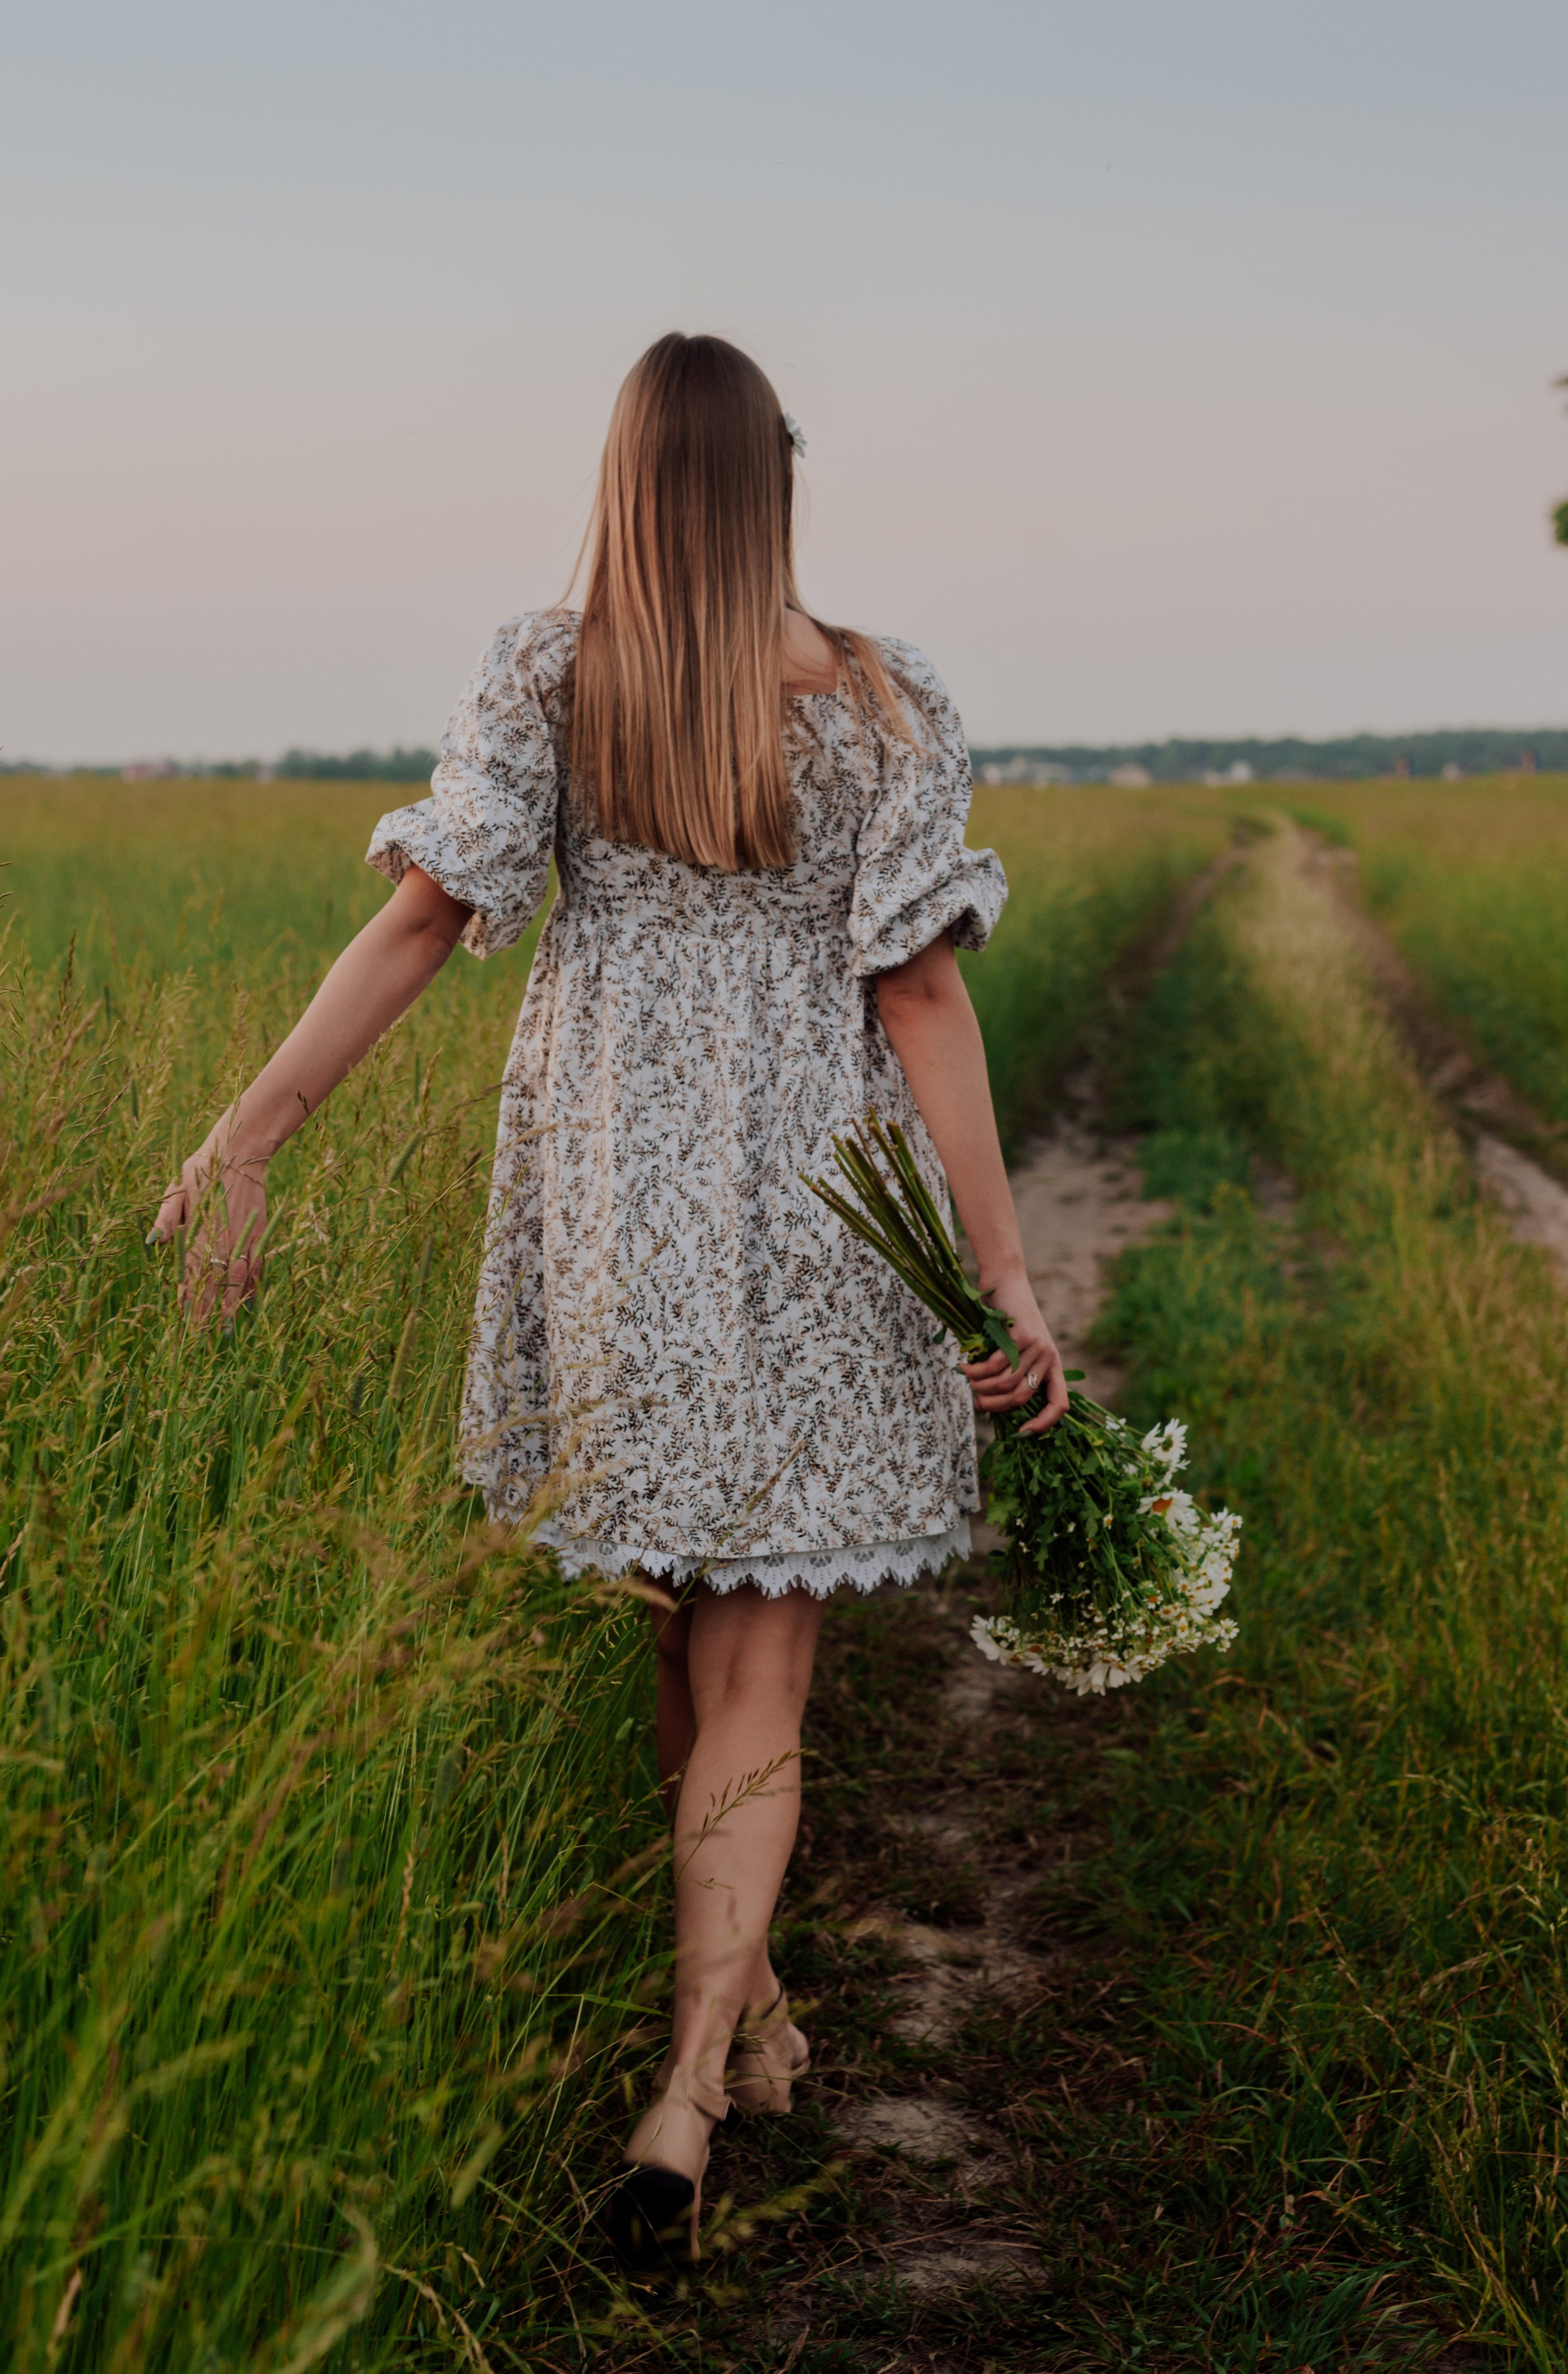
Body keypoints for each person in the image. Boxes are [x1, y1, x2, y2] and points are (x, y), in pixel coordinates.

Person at [151, 332, 1067, 2276]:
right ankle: (722, 2031)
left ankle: (684, 2085)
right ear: (777, 485)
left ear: (628, 484)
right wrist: (997, 1266)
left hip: (614, 1196)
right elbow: (919, 996)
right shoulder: (888, 705)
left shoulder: (549, 674)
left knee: (678, 1611)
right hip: (826, 1196)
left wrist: (252, 1135)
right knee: (750, 1649)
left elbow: (423, 917)